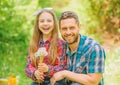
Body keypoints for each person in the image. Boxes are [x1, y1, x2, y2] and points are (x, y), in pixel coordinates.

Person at [50, 11, 106, 85]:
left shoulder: (93, 48)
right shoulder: (61, 47)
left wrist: (65, 73)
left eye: (72, 28)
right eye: (64, 29)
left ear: (79, 27)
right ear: (60, 30)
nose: (68, 32)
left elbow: (93, 81)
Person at [25, 8, 66, 85]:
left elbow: (62, 67)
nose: (45, 23)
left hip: (55, 81)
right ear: (37, 24)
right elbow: (28, 66)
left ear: (54, 24)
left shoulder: (60, 44)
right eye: (42, 21)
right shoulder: (34, 44)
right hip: (38, 81)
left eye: (49, 21)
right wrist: (34, 73)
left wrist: (48, 69)